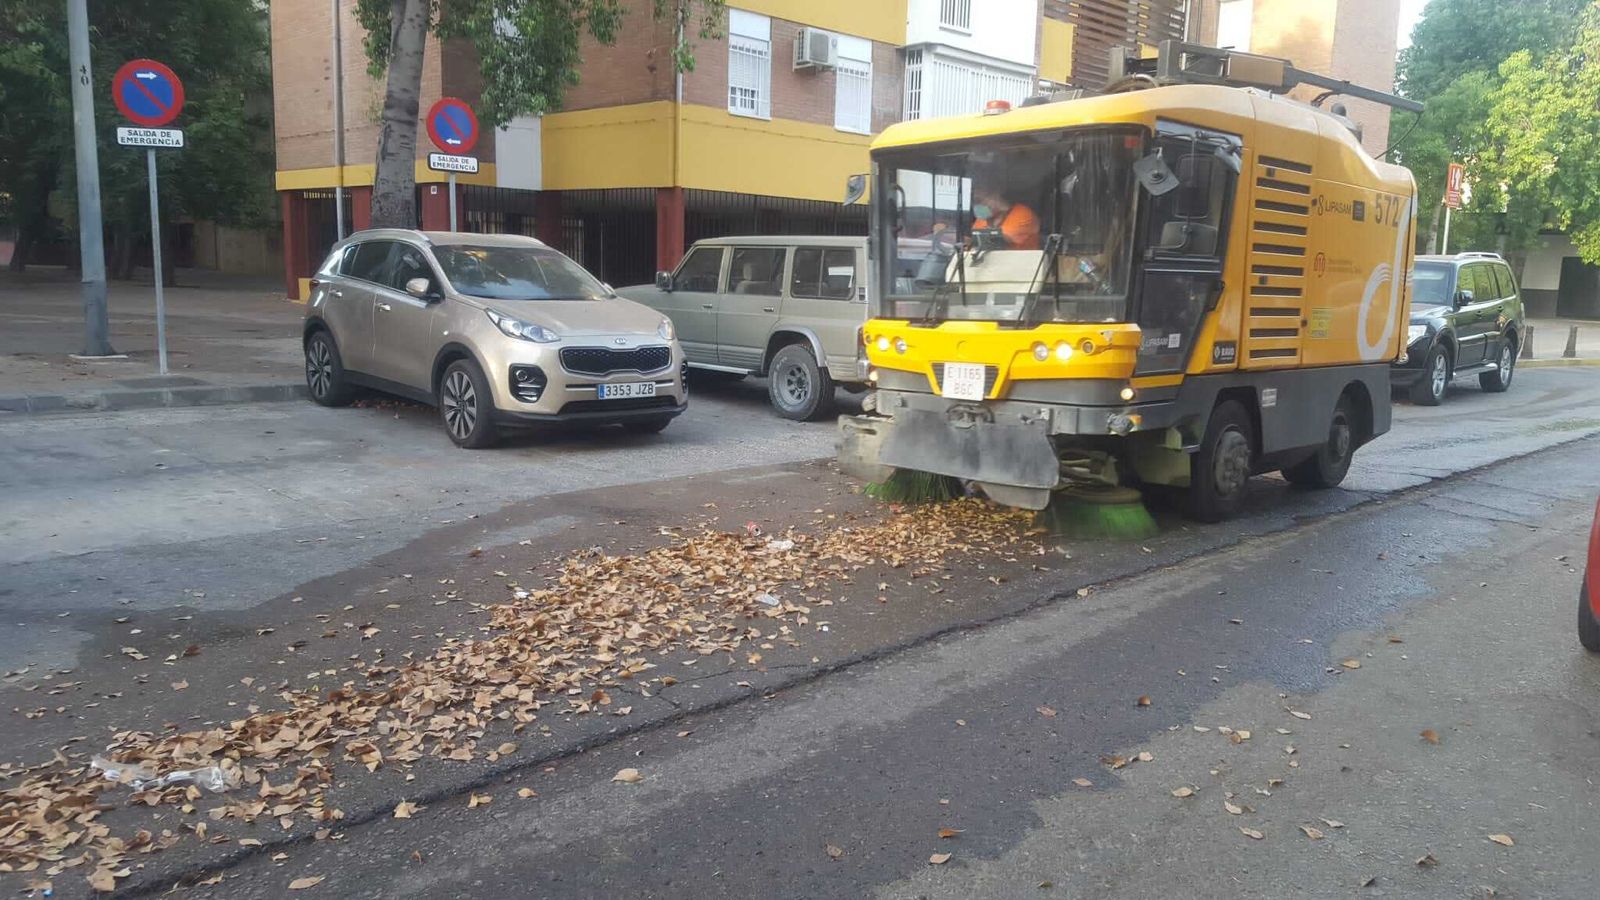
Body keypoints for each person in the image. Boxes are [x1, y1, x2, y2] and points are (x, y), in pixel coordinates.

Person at [971, 185, 1040, 251]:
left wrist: (975, 239)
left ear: (995, 195)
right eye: (973, 202)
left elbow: (999, 241)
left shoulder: (1022, 214)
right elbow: (975, 242)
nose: (976, 205)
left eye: (979, 200)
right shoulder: (983, 218)